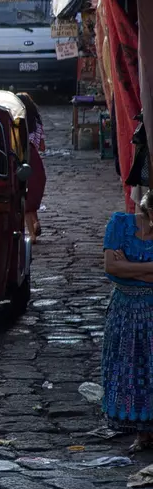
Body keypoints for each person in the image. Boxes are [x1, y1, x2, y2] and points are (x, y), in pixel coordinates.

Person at [100, 193, 153, 455]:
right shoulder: (120, 223)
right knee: (128, 368)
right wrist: (145, 270)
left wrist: (128, 266)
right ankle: (141, 432)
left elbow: (121, 268)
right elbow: (111, 267)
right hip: (124, 312)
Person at [16, 92, 47, 240]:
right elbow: (42, 147)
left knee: (26, 198)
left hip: (23, 159)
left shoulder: (18, 124)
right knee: (33, 195)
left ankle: (32, 234)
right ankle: (36, 223)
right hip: (36, 160)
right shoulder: (37, 123)